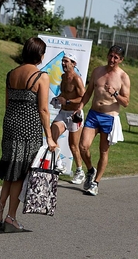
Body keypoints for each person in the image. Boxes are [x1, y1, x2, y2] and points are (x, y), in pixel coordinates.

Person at [0, 37, 56, 233]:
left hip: (10, 124)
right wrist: (50, 137)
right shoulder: (41, 77)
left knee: (11, 168)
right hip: (28, 128)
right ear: (40, 55)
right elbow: (43, 110)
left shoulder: (11, 74)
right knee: (20, 172)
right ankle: (11, 217)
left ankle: (0, 205)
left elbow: (8, 103)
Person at [75, 45, 130, 196]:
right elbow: (88, 93)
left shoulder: (123, 77)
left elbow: (125, 102)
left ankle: (96, 183)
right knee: (83, 146)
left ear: (121, 60)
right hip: (93, 115)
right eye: (110, 56)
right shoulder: (97, 71)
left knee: (103, 151)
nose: (112, 59)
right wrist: (80, 107)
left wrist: (115, 93)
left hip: (109, 117)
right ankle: (90, 170)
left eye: (116, 57)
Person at [50, 53, 86, 182]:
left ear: (73, 63)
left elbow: (83, 97)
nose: (63, 63)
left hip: (74, 114)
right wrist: (58, 99)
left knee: (73, 146)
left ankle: (80, 171)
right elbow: (65, 93)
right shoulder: (63, 76)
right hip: (63, 112)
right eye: (63, 61)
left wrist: (68, 102)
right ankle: (59, 163)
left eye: (66, 61)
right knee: (52, 133)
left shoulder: (77, 79)